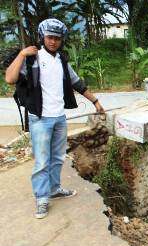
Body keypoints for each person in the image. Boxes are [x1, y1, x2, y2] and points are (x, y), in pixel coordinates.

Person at [5, 18, 105, 219]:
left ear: (61, 40)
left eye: (57, 38)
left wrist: (95, 102)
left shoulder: (62, 60)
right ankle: (42, 198)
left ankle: (54, 189)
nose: (53, 41)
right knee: (42, 160)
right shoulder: (32, 59)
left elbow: (77, 83)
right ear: (43, 37)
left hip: (59, 117)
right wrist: (22, 54)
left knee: (58, 157)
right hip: (40, 119)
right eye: (50, 37)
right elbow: (10, 79)